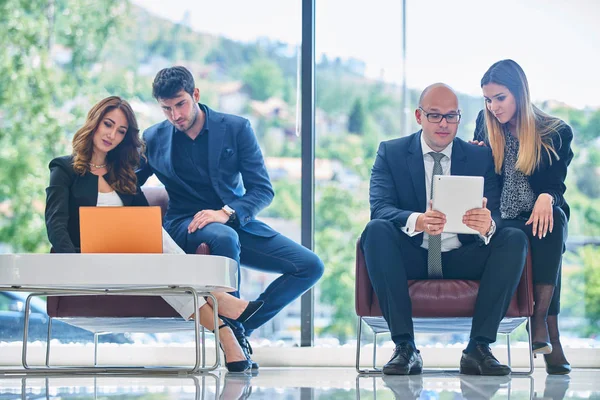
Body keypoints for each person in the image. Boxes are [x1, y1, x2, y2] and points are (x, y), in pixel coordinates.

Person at [44, 96, 261, 372]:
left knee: (155, 241)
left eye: (121, 131)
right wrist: (75, 260)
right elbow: (55, 224)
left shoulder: (123, 174)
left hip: (133, 260)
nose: (112, 135)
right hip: (88, 260)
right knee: (161, 263)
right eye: (108, 125)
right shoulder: (65, 169)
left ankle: (225, 335)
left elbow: (145, 224)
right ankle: (216, 297)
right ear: (95, 123)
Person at [137, 66, 325, 369]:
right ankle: (233, 338)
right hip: (185, 224)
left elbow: (262, 189)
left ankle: (239, 327)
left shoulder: (236, 128)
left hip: (234, 220)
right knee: (223, 236)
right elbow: (129, 183)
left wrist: (226, 212)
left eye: (181, 104)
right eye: (166, 109)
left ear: (196, 95)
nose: (175, 116)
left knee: (310, 266)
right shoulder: (154, 137)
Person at [361, 83, 528, 376]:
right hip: (413, 253)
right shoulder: (392, 152)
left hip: (463, 255)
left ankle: (478, 348)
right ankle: (405, 347)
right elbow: (381, 208)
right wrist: (418, 220)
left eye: (451, 117)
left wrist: (487, 224)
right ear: (418, 116)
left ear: (459, 118)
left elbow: (499, 213)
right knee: (375, 231)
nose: (443, 124)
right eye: (435, 116)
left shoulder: (478, 156)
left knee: (513, 238)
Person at [473, 59, 574, 375]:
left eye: (500, 98)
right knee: (537, 236)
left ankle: (540, 319)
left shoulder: (555, 131)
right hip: (500, 217)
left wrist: (547, 197)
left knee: (552, 223)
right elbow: (482, 176)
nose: (493, 107)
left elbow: (555, 184)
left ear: (519, 92)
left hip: (536, 214)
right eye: (488, 100)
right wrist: (475, 154)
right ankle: (549, 337)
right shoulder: (485, 122)